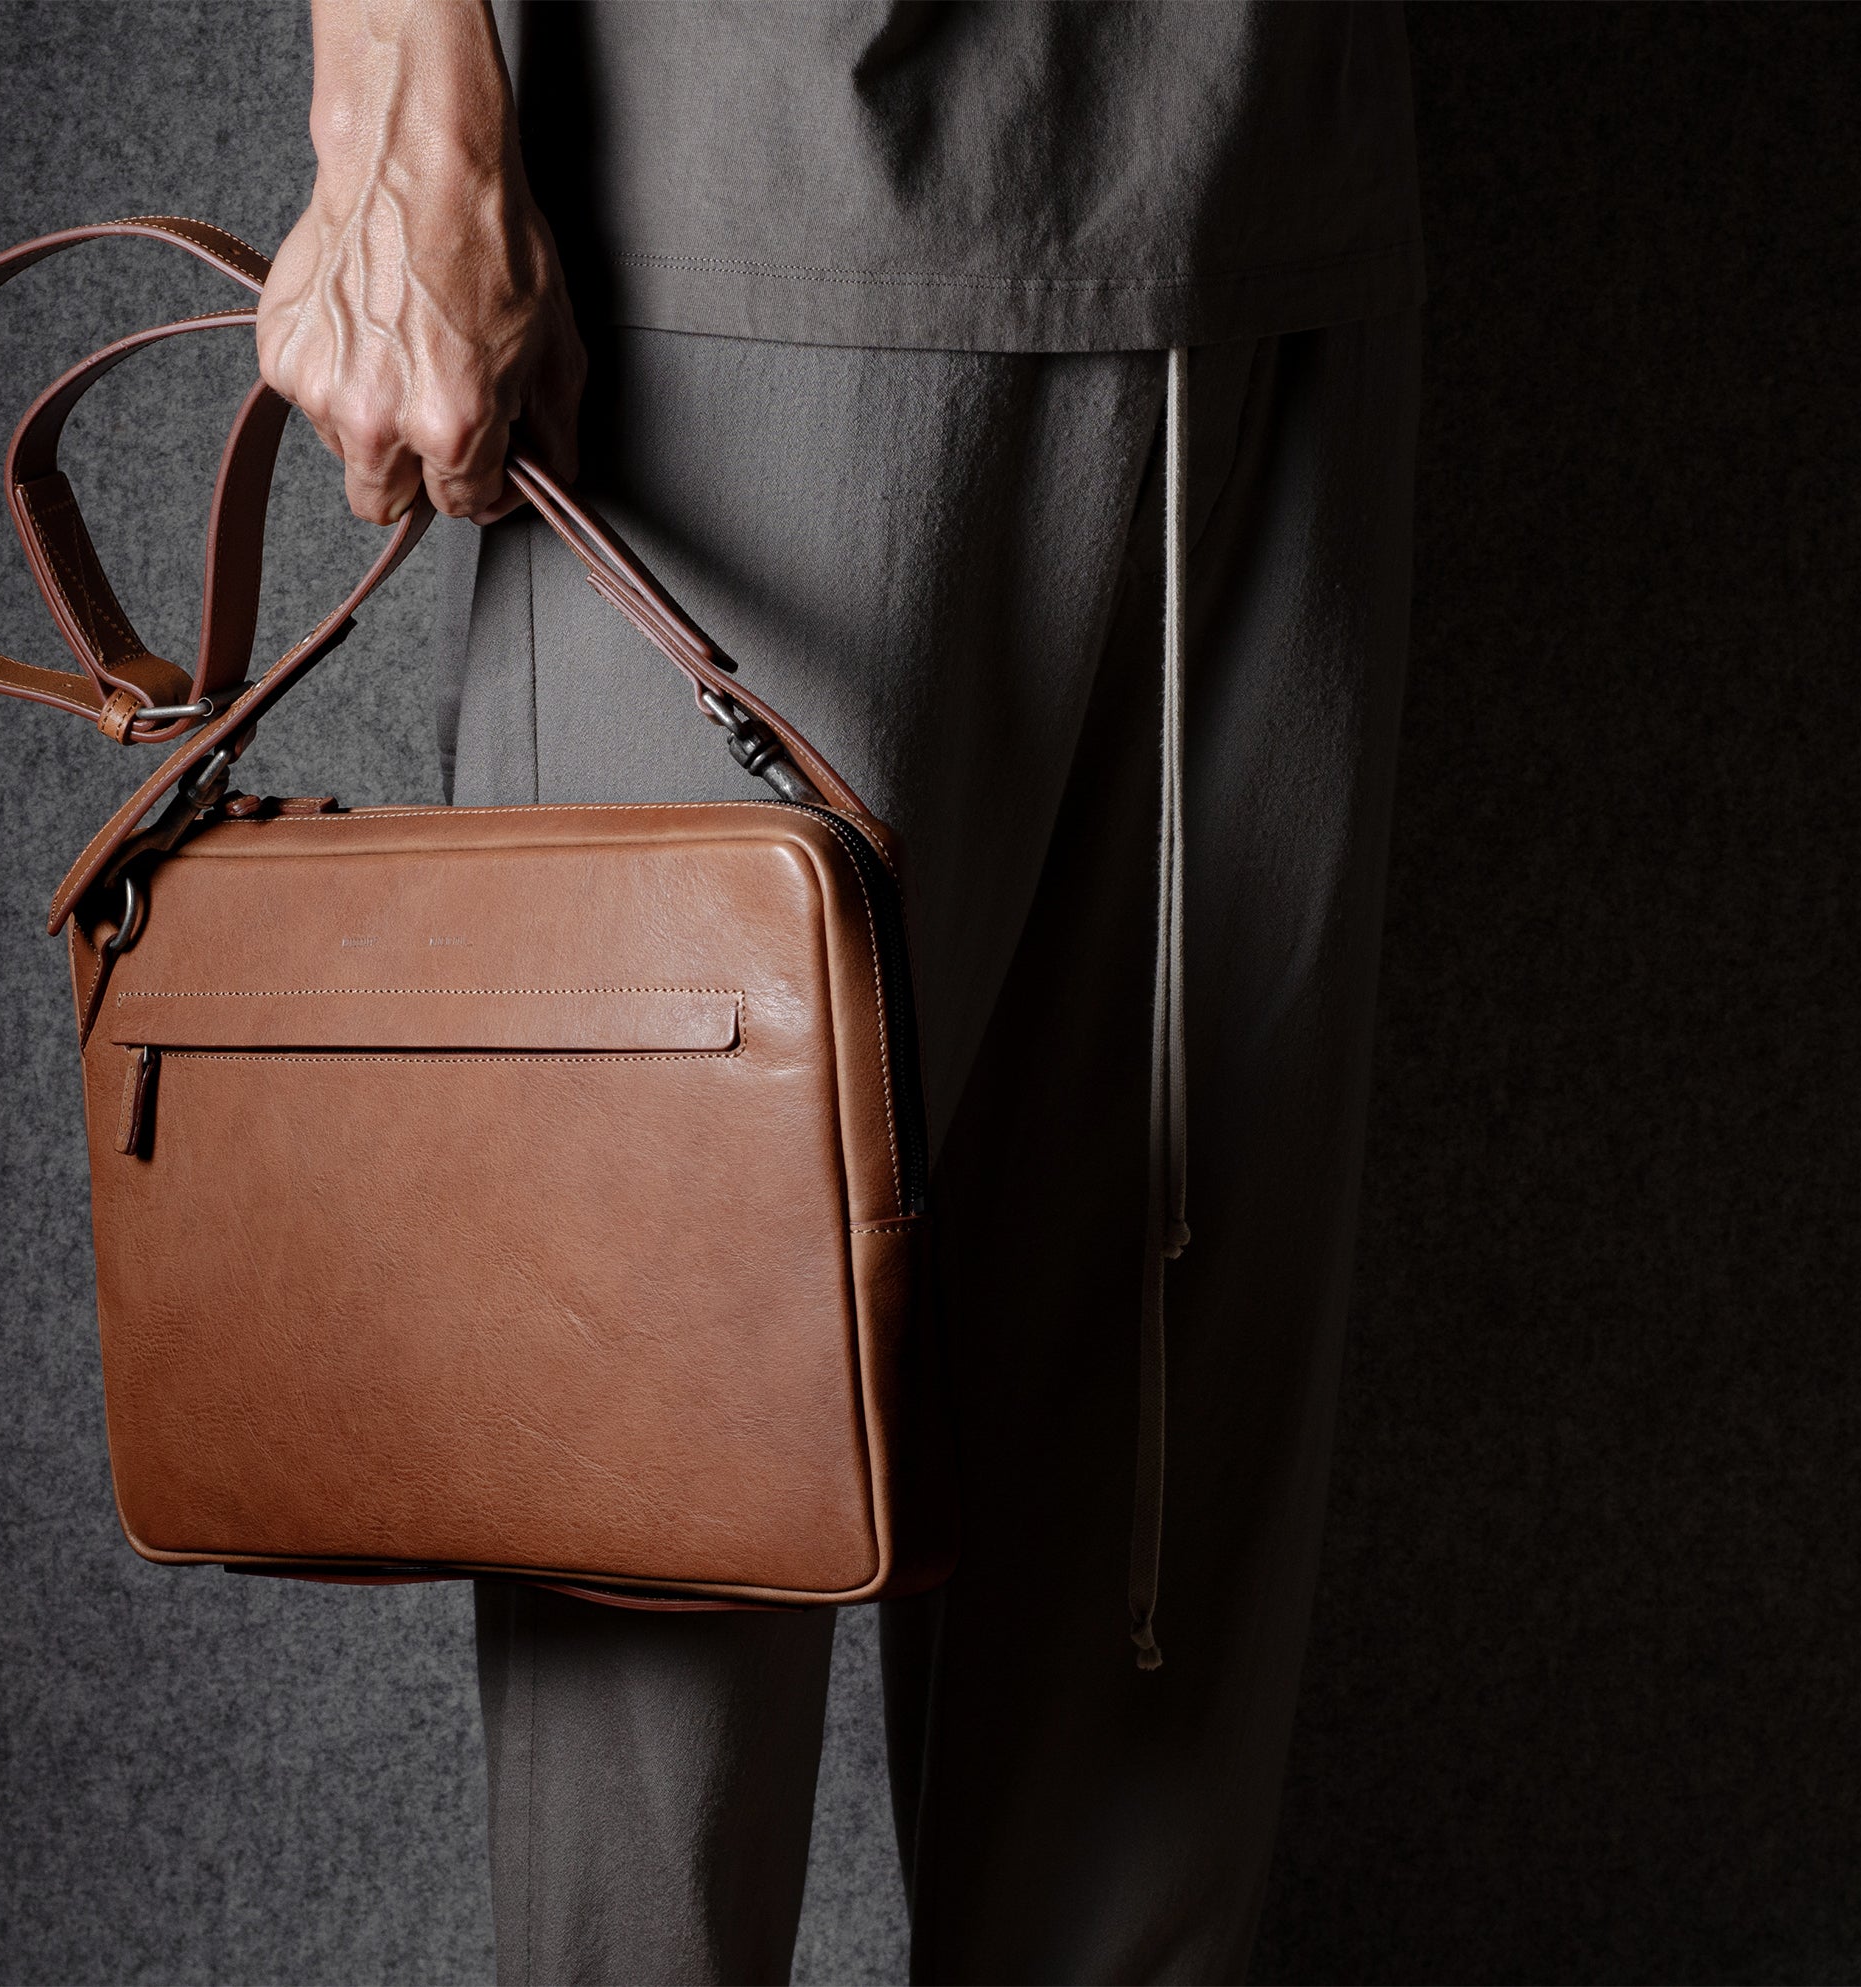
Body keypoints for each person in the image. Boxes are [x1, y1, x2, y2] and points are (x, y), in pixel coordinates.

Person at [253, 3, 1421, 1980]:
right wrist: (393, 86)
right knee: (661, 1637)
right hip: (758, 189)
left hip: (1273, 190)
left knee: (1151, 1582)